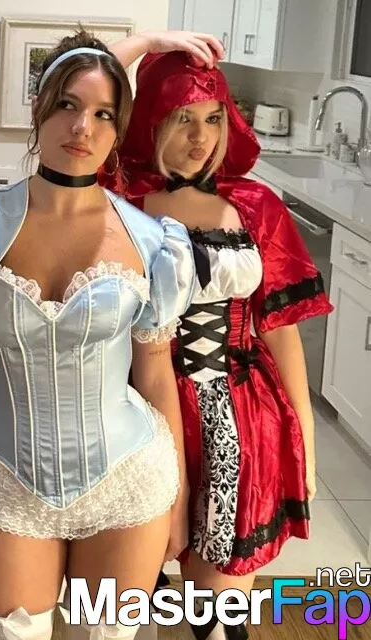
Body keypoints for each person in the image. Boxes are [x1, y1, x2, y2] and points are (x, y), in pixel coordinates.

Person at [0, 29, 223, 640]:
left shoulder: (151, 241)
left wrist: (179, 497)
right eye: (67, 104)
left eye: (103, 114)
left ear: (119, 132)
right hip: (15, 484)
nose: (82, 127)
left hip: (130, 479)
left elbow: (154, 375)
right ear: (39, 111)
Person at [115, 52, 334, 640]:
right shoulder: (118, 202)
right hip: (138, 415)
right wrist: (150, 43)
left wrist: (306, 442)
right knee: (138, 588)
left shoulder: (256, 207)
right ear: (152, 121)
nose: (200, 137)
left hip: (239, 418)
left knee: (217, 613)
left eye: (213, 118)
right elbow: (73, 115)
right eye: (182, 118)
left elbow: (281, 332)